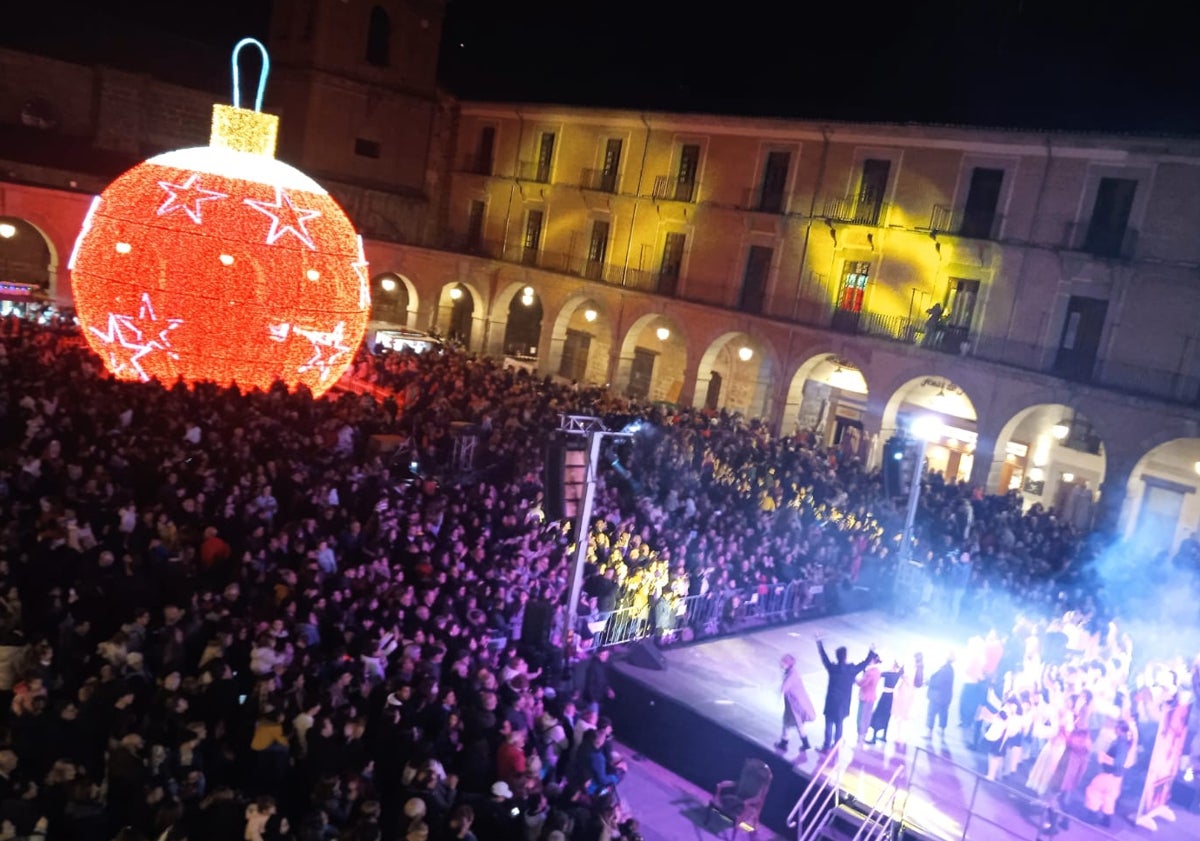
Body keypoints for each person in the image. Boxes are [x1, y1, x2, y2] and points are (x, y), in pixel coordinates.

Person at [816, 635, 876, 751]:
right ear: (845, 656)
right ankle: (836, 746)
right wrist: (872, 652)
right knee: (839, 724)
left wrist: (819, 643)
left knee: (828, 723)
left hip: (831, 701)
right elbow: (864, 663)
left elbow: (824, 658)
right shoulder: (851, 670)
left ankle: (826, 745)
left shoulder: (832, 668)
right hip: (843, 702)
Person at [1084, 719, 1134, 828]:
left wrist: (1104, 758)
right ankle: (1106, 820)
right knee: (1109, 797)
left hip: (1109, 774)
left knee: (1093, 791)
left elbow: (1118, 762)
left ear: (1120, 729)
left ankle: (1092, 815)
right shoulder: (1125, 742)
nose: (1114, 729)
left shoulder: (1121, 743)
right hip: (1117, 776)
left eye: (1116, 727)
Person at [774, 653, 815, 754]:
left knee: (792, 722)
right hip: (793, 703)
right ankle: (800, 743)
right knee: (793, 723)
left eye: (784, 662)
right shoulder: (791, 672)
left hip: (795, 704)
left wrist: (779, 691)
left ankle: (787, 743)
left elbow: (785, 687)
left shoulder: (792, 674)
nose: (781, 664)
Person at [926, 652, 955, 739]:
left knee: (931, 713)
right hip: (945, 697)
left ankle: (929, 732)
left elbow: (938, 683)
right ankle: (941, 730)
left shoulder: (944, 670)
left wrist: (928, 682)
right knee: (943, 713)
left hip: (937, 697)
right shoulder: (950, 669)